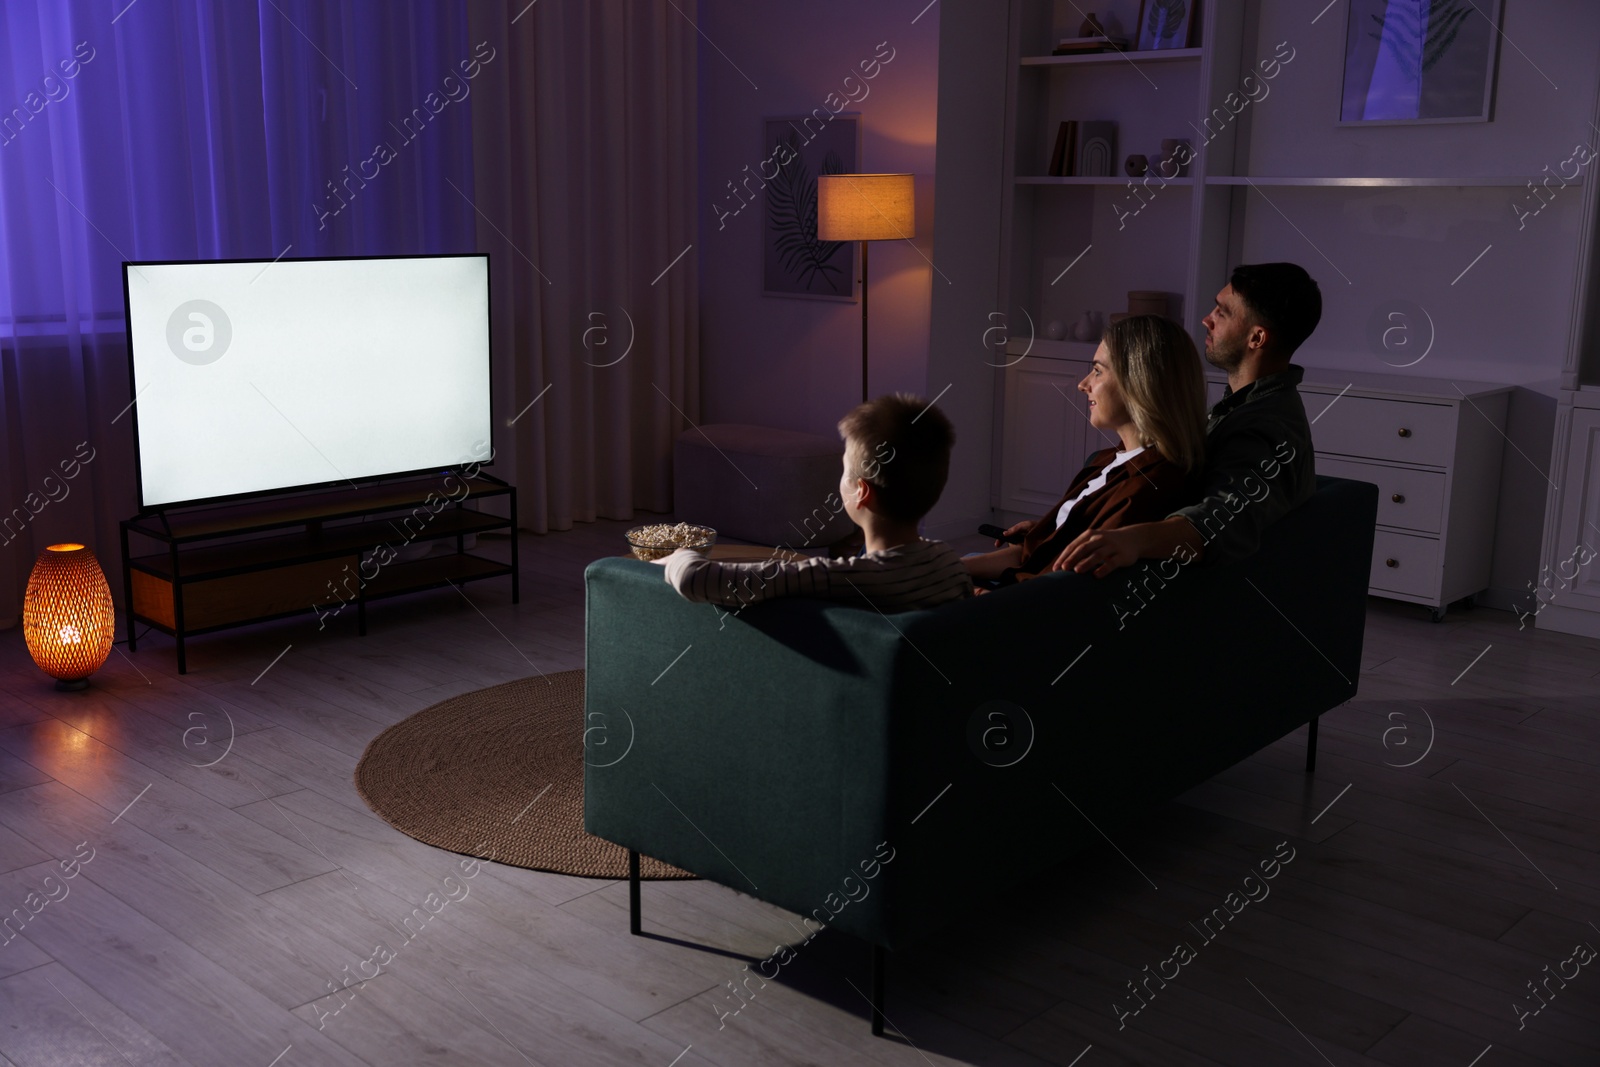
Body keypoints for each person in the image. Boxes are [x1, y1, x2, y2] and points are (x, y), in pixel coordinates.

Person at [1052, 262, 1320, 577]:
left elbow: (1219, 522)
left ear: (1257, 338)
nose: (1207, 320)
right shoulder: (1245, 407)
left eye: (1223, 313)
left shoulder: (1264, 428)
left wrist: (1130, 540)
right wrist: (1063, 529)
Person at [655, 393, 972, 612]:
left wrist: (681, 554)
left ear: (861, 492)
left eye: (844, 470)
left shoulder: (832, 578)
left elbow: (696, 579)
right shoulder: (950, 565)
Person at [964, 314, 1207, 583]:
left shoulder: (1146, 486)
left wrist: (974, 593)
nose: (1083, 384)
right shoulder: (1110, 461)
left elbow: (1065, 586)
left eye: (1098, 371)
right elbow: (1037, 557)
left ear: (1139, 383)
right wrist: (1048, 531)